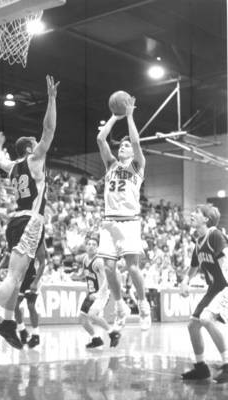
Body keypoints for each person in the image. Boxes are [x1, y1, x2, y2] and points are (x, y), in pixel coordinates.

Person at [0, 75, 59, 349]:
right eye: (34, 143)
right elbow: (48, 129)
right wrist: (51, 99)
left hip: (15, 222)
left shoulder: (12, 166)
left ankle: (9, 323)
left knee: (20, 276)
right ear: (29, 148)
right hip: (30, 222)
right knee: (14, 277)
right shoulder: (34, 160)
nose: (40, 145)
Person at [96, 96, 151, 332]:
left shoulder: (136, 166)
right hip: (109, 220)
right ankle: (120, 308)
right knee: (108, 268)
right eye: (121, 146)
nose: (124, 147)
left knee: (132, 267)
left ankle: (143, 305)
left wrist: (129, 115)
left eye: (126, 146)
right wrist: (114, 116)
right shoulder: (110, 165)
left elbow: (137, 142)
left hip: (130, 221)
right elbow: (100, 138)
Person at [180, 204, 228, 383]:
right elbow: (192, 268)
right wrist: (185, 282)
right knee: (193, 325)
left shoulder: (214, 234)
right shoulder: (198, 242)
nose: (192, 214)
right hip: (214, 288)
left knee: (206, 319)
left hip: (225, 286)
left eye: (197, 212)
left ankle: (227, 365)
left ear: (206, 219)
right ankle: (201, 368)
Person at [79, 236, 119, 348]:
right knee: (82, 319)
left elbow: (107, 279)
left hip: (101, 294)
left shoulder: (99, 261)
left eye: (94, 244)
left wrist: (98, 294)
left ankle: (113, 333)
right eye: (89, 244)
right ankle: (96, 339)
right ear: (86, 246)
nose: (91, 246)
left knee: (92, 315)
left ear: (97, 248)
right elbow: (88, 275)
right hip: (91, 293)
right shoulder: (85, 259)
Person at [14, 242, 46, 348]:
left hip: (33, 276)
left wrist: (35, 282)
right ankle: (22, 330)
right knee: (15, 305)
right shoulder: (19, 239)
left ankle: (36, 335)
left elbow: (43, 263)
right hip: (21, 277)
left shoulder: (38, 242)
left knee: (31, 306)